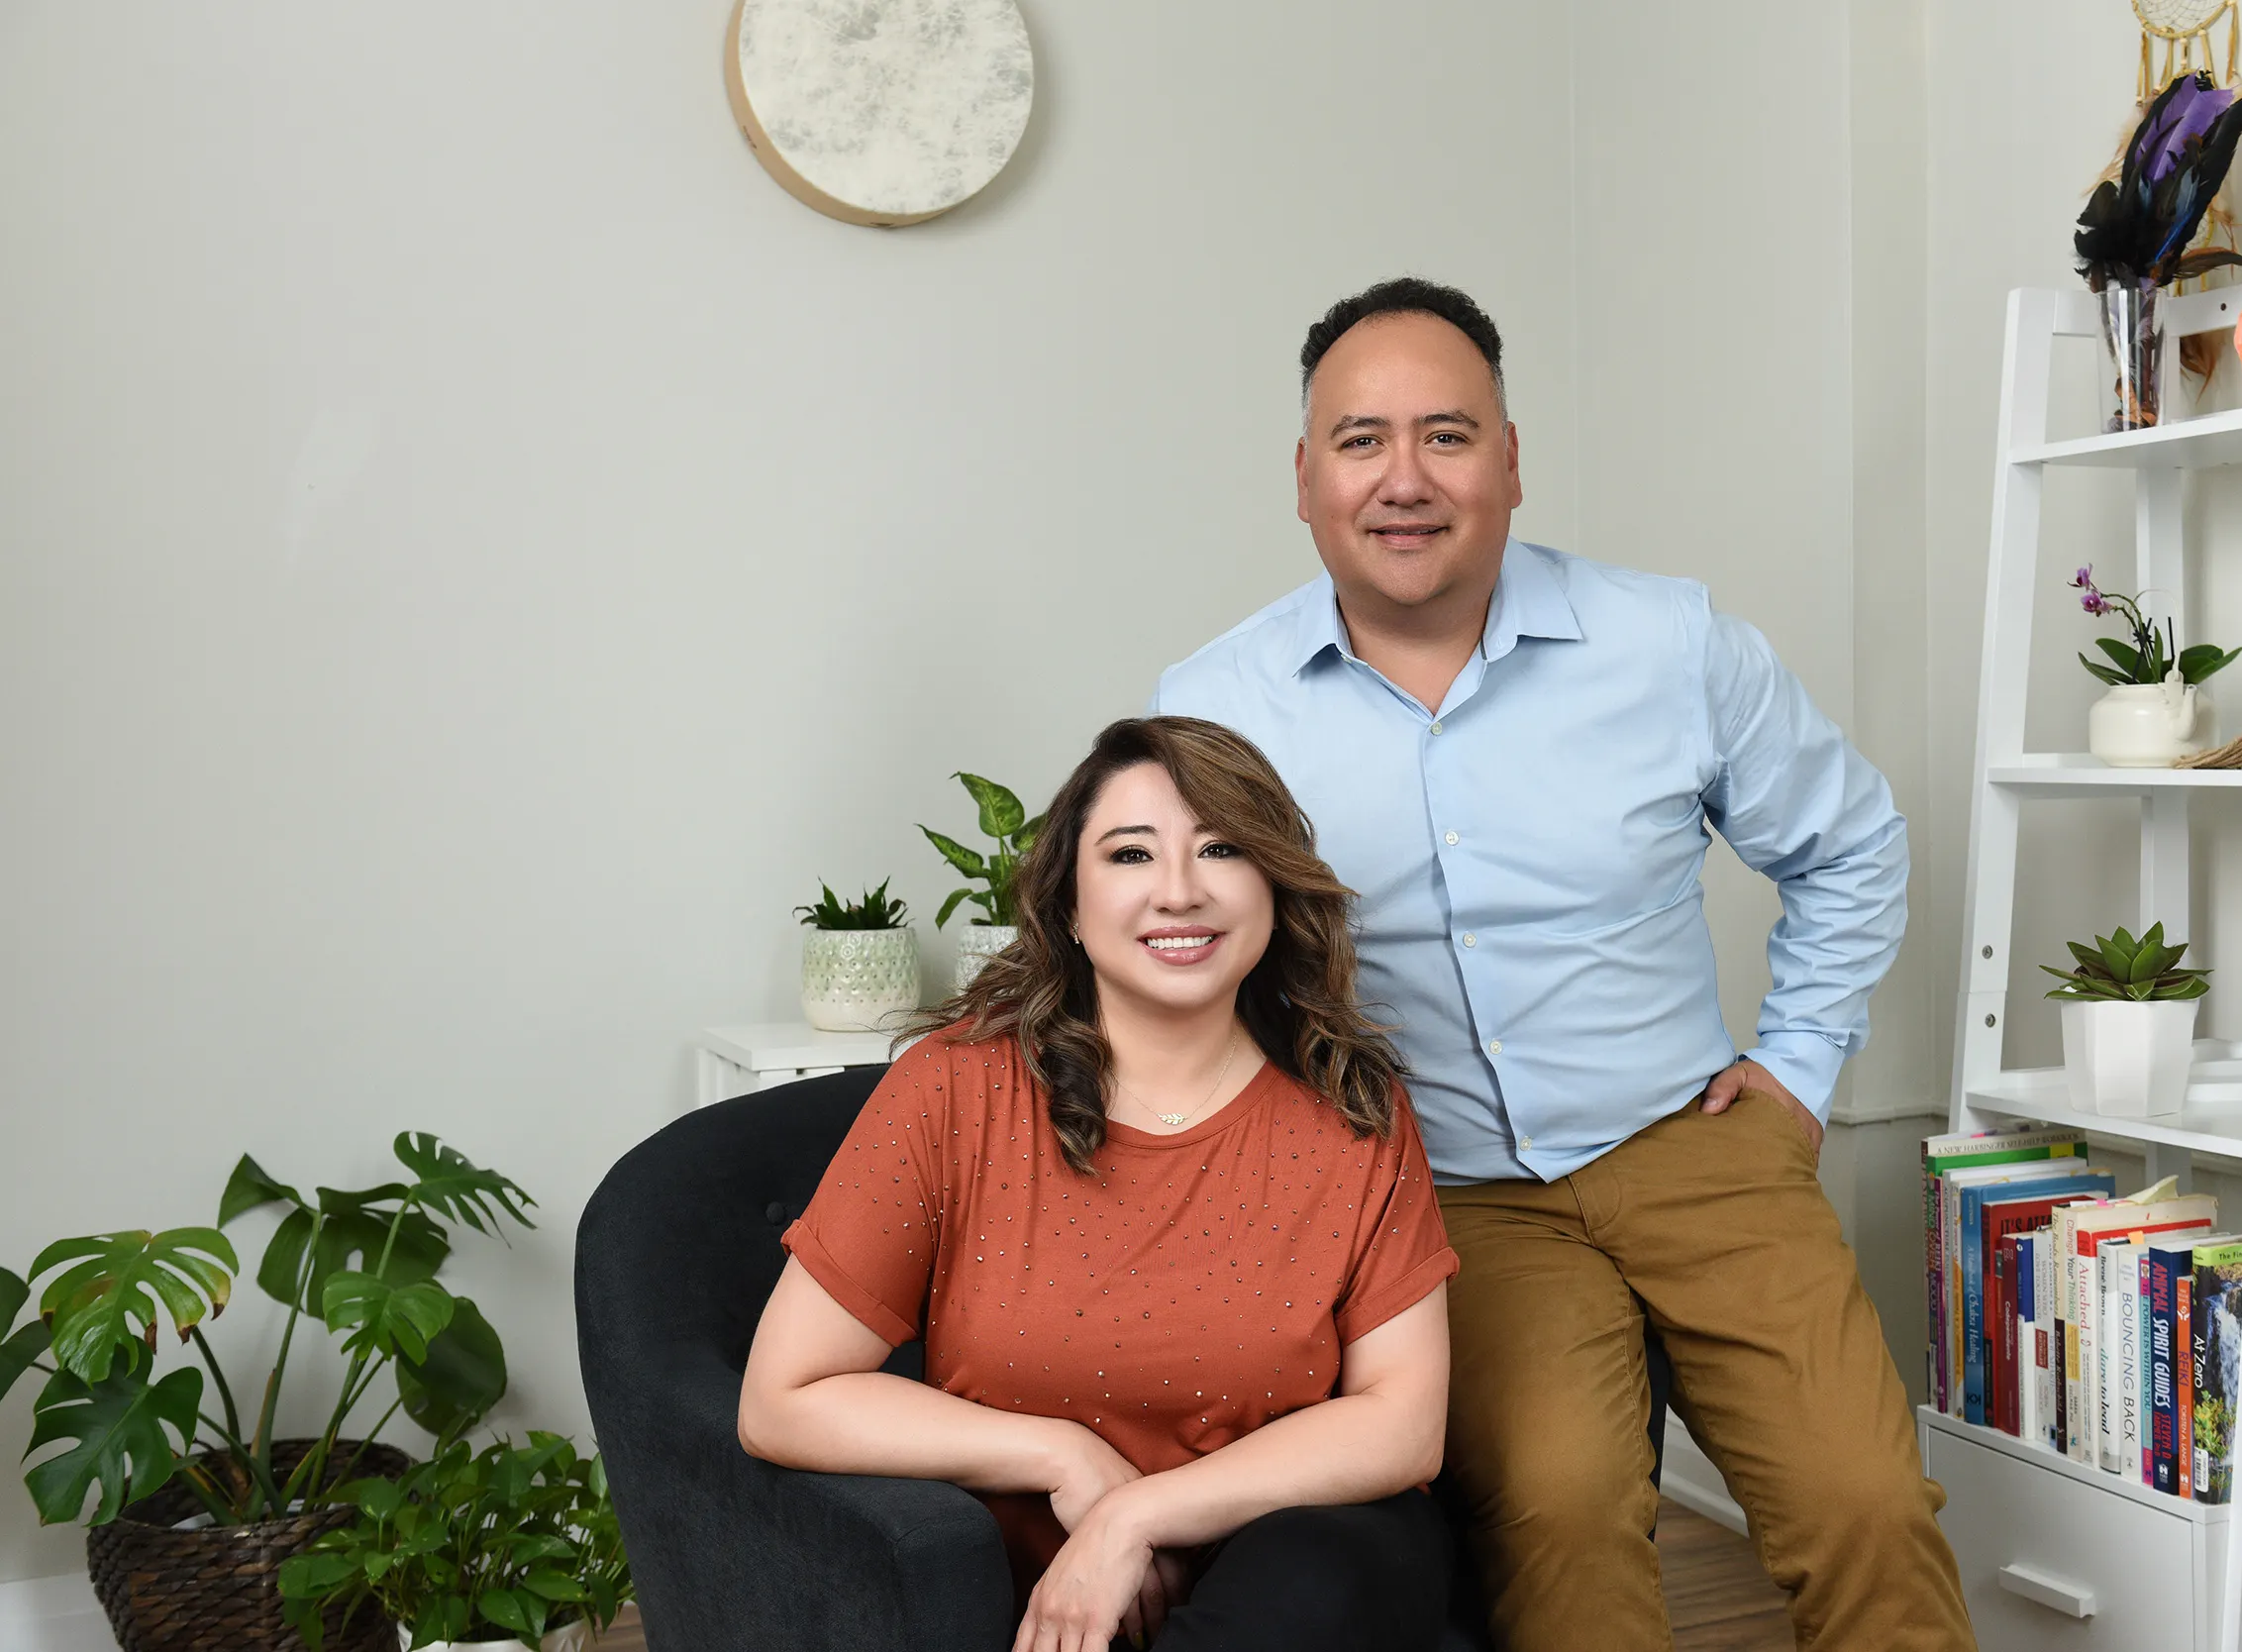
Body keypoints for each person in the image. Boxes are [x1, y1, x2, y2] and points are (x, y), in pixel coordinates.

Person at [1153, 277, 1975, 1651]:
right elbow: (1164, 966)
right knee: (1558, 1513)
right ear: (1303, 479)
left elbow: (1853, 842)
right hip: (1446, 1194)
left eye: (1447, 435)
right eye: (1360, 441)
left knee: (1866, 1502)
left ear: (1513, 461)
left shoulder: (1671, 644)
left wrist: (1797, 1073)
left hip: (1699, 1142)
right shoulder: (1212, 712)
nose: (1403, 479)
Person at [739, 715, 1461, 1652]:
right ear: (1070, 907)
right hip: (1027, 1583)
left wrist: (1139, 1516)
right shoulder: (957, 1088)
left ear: (1274, 888)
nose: (1179, 891)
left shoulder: (1352, 1105)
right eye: (1130, 854)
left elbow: (1403, 1425)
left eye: (1221, 848)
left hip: (1295, 1562)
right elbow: (785, 1395)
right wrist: (1063, 1456)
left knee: (1322, 1579)